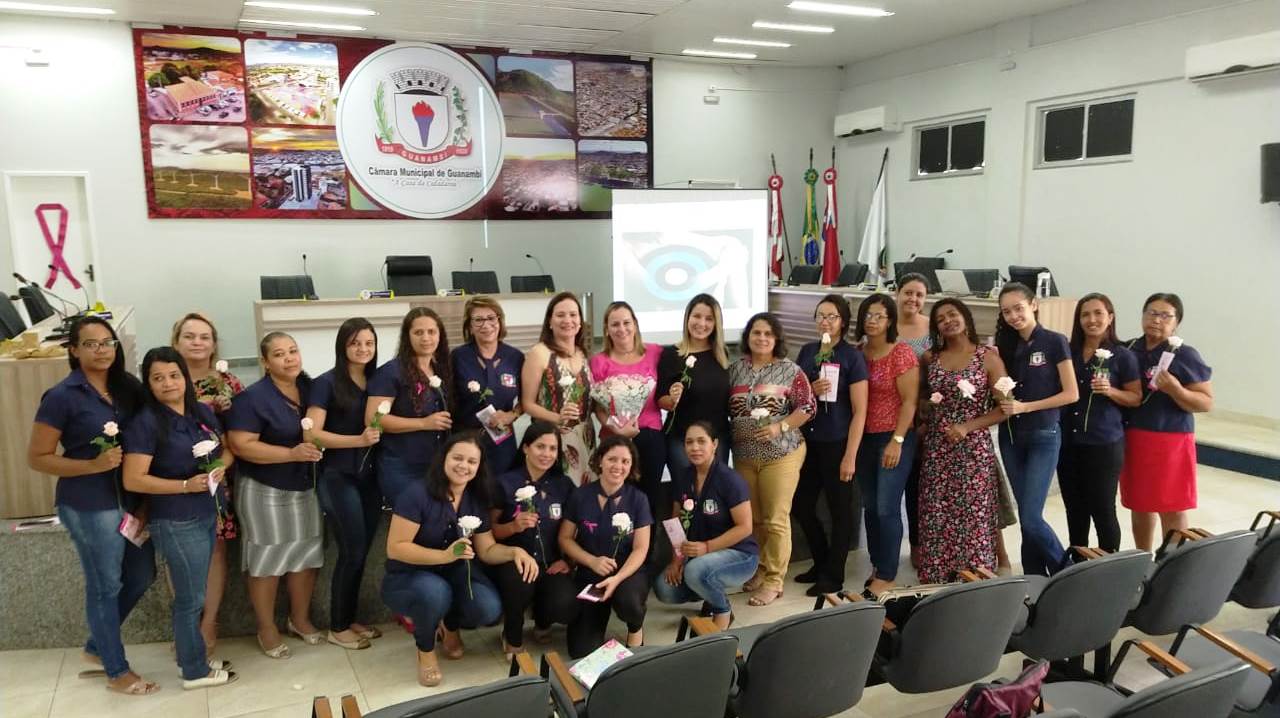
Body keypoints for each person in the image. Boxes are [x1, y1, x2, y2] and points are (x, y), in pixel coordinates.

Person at [27, 316, 157, 695]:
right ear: (74, 350)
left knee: (140, 575)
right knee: (104, 585)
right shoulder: (62, 396)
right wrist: (91, 465)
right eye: (91, 344)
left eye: (108, 343)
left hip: (130, 499)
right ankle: (116, 671)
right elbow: (38, 457)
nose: (102, 351)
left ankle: (97, 645)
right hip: (89, 504)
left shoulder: (127, 387)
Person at [382, 432, 538, 686]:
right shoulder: (417, 493)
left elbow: (486, 550)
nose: (464, 466)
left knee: (488, 608)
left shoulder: (475, 499)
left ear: (479, 467)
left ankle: (450, 624)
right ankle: (426, 650)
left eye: (471, 462)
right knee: (435, 593)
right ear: (443, 458)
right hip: (409, 575)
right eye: (458, 458)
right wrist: (443, 555)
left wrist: (515, 552)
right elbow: (396, 548)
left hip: (454, 574)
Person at [122, 347, 237, 688]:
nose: (168, 383)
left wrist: (219, 467)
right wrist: (185, 485)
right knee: (189, 600)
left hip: (206, 512)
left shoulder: (200, 411)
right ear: (148, 383)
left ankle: (194, 657)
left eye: (174, 375)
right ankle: (194, 670)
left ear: (185, 377)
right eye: (157, 378)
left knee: (195, 594)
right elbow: (134, 478)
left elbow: (226, 449)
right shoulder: (145, 422)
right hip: (175, 518)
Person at [225, 332, 323, 658]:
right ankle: (266, 627)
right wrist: (290, 454)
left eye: (293, 351)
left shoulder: (309, 389)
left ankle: (300, 619)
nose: (289, 358)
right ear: (266, 363)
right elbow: (241, 445)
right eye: (279, 354)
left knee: (306, 557)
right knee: (267, 563)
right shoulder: (253, 399)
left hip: (305, 488)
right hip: (264, 490)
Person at [304, 319, 384, 650]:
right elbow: (311, 434)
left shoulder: (378, 382)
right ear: (342, 347)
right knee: (351, 550)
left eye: (368, 342)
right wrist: (357, 439)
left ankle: (349, 618)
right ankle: (337, 626)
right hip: (337, 477)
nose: (363, 349)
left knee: (361, 551)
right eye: (355, 343)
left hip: (370, 478)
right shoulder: (326, 383)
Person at [917, 299, 1008, 583]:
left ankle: (974, 576)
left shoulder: (988, 357)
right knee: (937, 511)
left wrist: (968, 426)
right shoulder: (930, 357)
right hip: (936, 447)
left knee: (973, 514)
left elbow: (1005, 407)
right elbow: (920, 398)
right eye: (941, 318)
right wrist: (927, 408)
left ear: (966, 319)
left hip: (973, 449)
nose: (948, 321)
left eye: (953, 314)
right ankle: (937, 575)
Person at [728, 312, 815, 607]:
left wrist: (781, 426)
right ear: (748, 337)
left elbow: (807, 407)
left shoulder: (790, 370)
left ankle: (775, 580)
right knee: (753, 519)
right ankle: (760, 569)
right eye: (756, 333)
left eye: (767, 333)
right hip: (744, 455)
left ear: (776, 339)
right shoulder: (736, 370)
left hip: (782, 453)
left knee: (776, 518)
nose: (762, 338)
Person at [994, 283, 1078, 576]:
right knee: (1028, 515)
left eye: (1019, 308)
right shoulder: (1005, 345)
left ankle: (1066, 573)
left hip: (1043, 435)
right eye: (1007, 311)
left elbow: (1071, 394)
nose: (1014, 316)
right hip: (1011, 438)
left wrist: (1025, 407)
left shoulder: (1055, 341)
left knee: (1030, 518)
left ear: (1034, 305)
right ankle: (1033, 577)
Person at [171, 312, 242, 654]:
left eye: (204, 337)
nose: (197, 342)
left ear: (214, 344)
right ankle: (185, 624)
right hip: (171, 482)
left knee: (215, 551)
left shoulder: (229, 384)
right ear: (176, 342)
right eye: (189, 336)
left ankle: (208, 622)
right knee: (178, 554)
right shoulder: (163, 380)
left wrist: (220, 469)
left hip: (216, 482)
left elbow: (237, 438)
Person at [1121, 293, 1213, 551]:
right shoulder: (1128, 349)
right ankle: (1142, 559)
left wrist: (1176, 389)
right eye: (1151, 313)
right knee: (1139, 503)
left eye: (1165, 316)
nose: (1156, 320)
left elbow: (1206, 402)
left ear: (1176, 323)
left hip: (1171, 439)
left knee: (1172, 506)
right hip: (1134, 436)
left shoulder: (1185, 355)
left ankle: (1170, 564)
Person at [792, 294, 868, 596]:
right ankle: (821, 560)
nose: (825, 321)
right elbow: (795, 396)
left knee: (840, 511)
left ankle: (834, 574)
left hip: (837, 443)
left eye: (832, 316)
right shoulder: (808, 351)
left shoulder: (851, 356)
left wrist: (850, 455)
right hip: (807, 442)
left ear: (843, 322)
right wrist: (810, 389)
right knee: (802, 505)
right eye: (820, 316)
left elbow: (860, 410)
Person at [654, 422, 758, 629]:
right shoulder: (683, 477)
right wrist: (676, 561)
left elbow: (745, 527)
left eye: (701, 441)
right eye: (689, 442)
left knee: (695, 570)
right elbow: (676, 524)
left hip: (740, 555)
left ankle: (722, 610)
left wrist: (707, 547)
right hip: (698, 556)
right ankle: (709, 592)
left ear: (715, 444)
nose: (695, 447)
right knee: (664, 588)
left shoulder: (730, 480)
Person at [1059, 294, 1141, 552]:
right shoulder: (1067, 352)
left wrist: (1111, 391)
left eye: (1098, 313)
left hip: (1103, 442)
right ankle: (1078, 562)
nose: (1091, 320)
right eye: (1085, 315)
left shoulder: (1122, 356)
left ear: (1110, 318)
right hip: (1068, 442)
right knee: (1074, 508)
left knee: (1102, 508)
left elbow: (1135, 397)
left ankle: (1108, 566)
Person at [558, 436, 652, 658]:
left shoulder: (639, 499)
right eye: (612, 459)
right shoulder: (580, 495)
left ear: (631, 466)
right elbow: (565, 538)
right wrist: (591, 561)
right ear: (600, 460)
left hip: (627, 572)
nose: (618, 467)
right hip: (591, 574)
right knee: (580, 651)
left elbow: (641, 548)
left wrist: (617, 579)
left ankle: (635, 627)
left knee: (630, 603)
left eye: (625, 461)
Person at [488, 421, 577, 653]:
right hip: (513, 560)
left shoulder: (564, 485)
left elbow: (574, 530)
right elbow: (490, 530)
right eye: (540, 446)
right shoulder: (505, 483)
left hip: (550, 561)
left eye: (552, 448)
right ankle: (512, 637)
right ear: (526, 448)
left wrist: (567, 560)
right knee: (521, 582)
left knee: (565, 602)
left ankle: (543, 621)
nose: (546, 454)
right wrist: (513, 527)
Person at [853, 294, 919, 595]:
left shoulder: (901, 354)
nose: (872, 320)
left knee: (886, 507)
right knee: (869, 505)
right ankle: (878, 563)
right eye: (868, 314)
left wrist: (898, 440)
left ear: (890, 320)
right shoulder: (858, 352)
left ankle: (888, 572)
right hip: (863, 438)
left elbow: (909, 402)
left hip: (893, 437)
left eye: (879, 315)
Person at [590, 301, 667, 547]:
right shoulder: (599, 362)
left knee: (648, 498)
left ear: (635, 324)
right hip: (613, 440)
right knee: (617, 497)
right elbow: (598, 407)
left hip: (650, 436)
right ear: (607, 329)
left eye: (626, 322)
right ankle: (616, 550)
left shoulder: (655, 353)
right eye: (615, 324)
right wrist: (615, 428)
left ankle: (645, 555)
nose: (621, 329)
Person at [368, 307, 452, 505]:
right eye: (418, 332)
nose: (426, 338)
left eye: (432, 332)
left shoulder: (441, 368)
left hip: (436, 463)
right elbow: (374, 419)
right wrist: (424, 423)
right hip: (402, 466)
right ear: (407, 336)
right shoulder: (391, 372)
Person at [522, 291, 596, 486]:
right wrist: (558, 418)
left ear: (580, 321)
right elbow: (527, 404)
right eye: (560, 315)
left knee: (585, 495)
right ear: (550, 321)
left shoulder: (584, 352)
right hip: (553, 439)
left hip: (586, 438)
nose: (568, 320)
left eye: (573, 314)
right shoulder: (539, 353)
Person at [656, 293, 732, 474]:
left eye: (709, 319)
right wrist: (672, 399)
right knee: (686, 495)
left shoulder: (722, 355)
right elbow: (661, 400)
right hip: (682, 439)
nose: (702, 323)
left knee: (713, 494)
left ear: (716, 324)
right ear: (687, 318)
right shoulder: (672, 354)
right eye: (697, 316)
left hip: (716, 439)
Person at [451, 296, 524, 474]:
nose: (486, 325)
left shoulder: (515, 357)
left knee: (501, 492)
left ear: (500, 321)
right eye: (478, 320)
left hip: (502, 441)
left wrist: (511, 415)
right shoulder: (457, 357)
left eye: (491, 318)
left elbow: (527, 400)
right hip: (466, 442)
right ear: (469, 326)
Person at [895, 273, 931, 569]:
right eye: (908, 293)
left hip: (923, 416)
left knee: (918, 484)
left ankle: (919, 544)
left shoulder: (932, 330)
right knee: (896, 482)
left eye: (919, 295)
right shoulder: (883, 325)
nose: (913, 300)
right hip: (887, 415)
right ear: (897, 293)